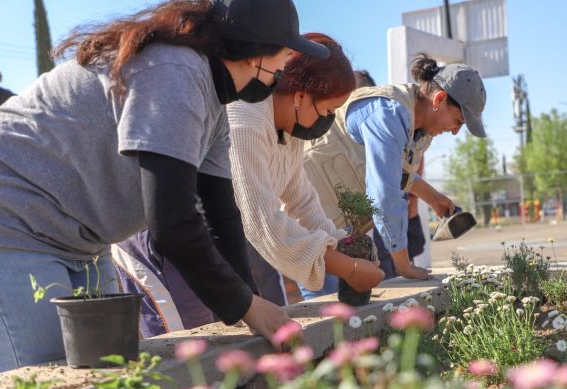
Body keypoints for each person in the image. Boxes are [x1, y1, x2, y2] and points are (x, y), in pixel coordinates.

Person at [0, 0, 328, 376]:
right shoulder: (174, 71)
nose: (282, 71)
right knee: (44, 385)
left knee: (108, 376)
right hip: (3, 220)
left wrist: (252, 302)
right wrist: (244, 306)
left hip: (82, 241)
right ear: (255, 49)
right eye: (283, 58)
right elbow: (173, 225)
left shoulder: (214, 103)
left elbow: (220, 215)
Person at [115, 33, 384, 337]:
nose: (328, 121)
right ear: (300, 96)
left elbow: (302, 201)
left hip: (212, 243)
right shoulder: (246, 117)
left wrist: (342, 245)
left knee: (235, 340)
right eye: (327, 112)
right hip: (167, 239)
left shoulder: (288, 129)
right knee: (189, 348)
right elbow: (262, 221)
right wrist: (348, 269)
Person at [305, 54, 487, 281]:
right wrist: (404, 266)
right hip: (310, 227)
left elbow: (397, 173)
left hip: (336, 232)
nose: (455, 131)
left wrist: (434, 198)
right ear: (439, 100)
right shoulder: (389, 114)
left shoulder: (419, 125)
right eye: (458, 121)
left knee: (349, 310)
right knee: (331, 311)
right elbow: (384, 195)